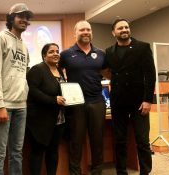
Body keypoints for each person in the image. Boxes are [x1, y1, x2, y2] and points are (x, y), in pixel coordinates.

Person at [102, 18, 156, 175]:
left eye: (126, 27)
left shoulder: (143, 47)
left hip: (140, 102)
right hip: (118, 101)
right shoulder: (109, 51)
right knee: (120, 140)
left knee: (142, 141)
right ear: (114, 33)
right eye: (120, 28)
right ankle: (121, 171)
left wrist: (148, 100)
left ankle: (145, 171)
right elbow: (106, 71)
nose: (124, 29)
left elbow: (150, 75)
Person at [0, 3, 33, 175]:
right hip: (3, 105)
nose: (24, 20)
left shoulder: (24, 46)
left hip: (21, 106)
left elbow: (24, 74)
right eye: (20, 16)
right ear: (11, 18)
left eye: (27, 18)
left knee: (16, 153)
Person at [59, 20, 106, 175]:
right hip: (76, 104)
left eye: (88, 29)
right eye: (82, 30)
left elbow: (108, 73)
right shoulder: (66, 54)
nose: (85, 32)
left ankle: (97, 172)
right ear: (75, 33)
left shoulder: (100, 53)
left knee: (97, 141)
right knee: (76, 142)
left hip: (97, 102)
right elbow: (55, 73)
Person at [26, 43, 66, 175]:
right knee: (37, 152)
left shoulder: (59, 71)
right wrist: (53, 100)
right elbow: (32, 91)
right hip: (40, 120)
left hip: (58, 119)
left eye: (57, 51)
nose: (55, 54)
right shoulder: (37, 69)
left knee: (53, 152)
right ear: (44, 56)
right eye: (51, 52)